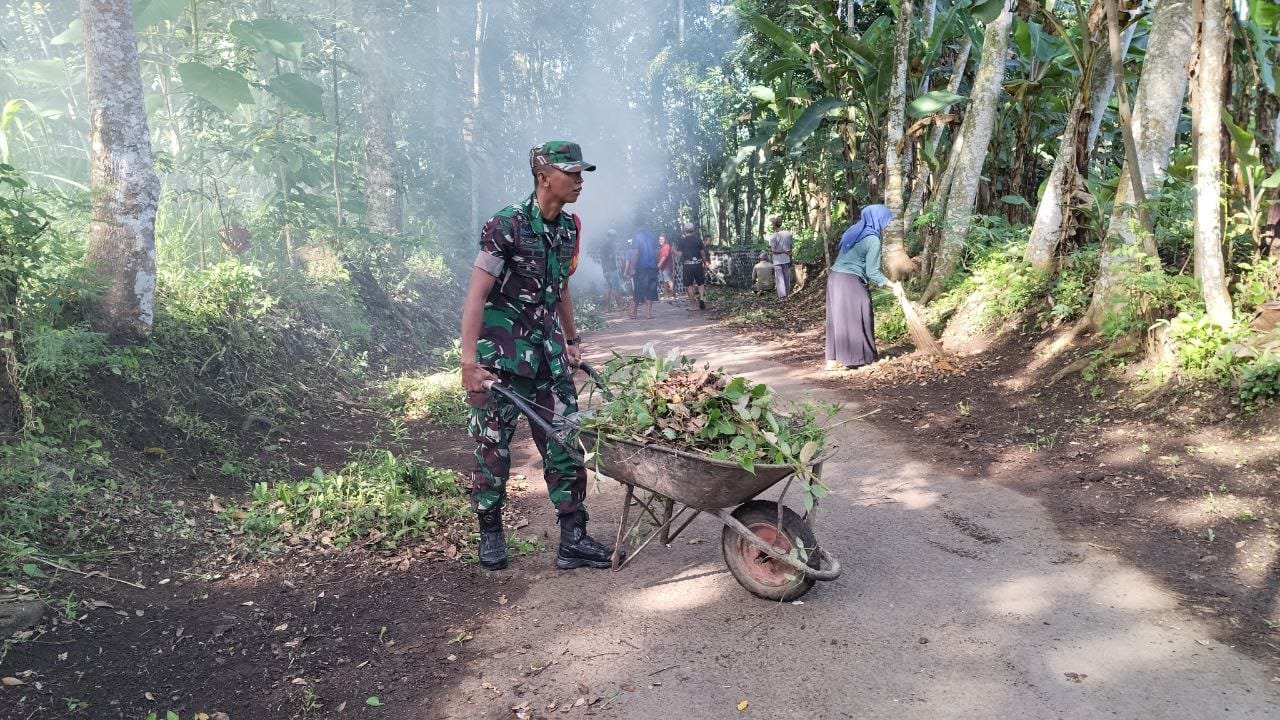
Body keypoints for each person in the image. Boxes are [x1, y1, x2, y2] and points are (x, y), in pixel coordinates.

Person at [459, 140, 619, 572]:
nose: (580, 181)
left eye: (582, 174)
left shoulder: (568, 228)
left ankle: (573, 538)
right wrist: (469, 363)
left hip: (548, 356)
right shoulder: (505, 225)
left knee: (566, 441)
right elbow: (476, 296)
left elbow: (561, 287)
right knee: (492, 448)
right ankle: (491, 532)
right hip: (500, 360)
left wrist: (571, 338)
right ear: (544, 177)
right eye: (572, 173)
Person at [826, 204, 900, 370]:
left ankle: (832, 360)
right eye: (885, 221)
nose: (886, 225)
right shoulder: (873, 240)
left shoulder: (853, 230)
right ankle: (858, 359)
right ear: (878, 219)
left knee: (837, 318)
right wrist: (893, 285)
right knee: (861, 314)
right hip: (849, 280)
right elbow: (872, 272)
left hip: (834, 278)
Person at [626, 229, 660, 319]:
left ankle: (633, 312)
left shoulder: (637, 237)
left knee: (638, 289)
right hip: (652, 267)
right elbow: (657, 251)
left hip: (641, 268)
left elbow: (636, 253)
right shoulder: (652, 236)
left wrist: (632, 268)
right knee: (650, 290)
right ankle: (648, 314)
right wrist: (656, 262)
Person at [675, 222, 708, 310]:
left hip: (688, 265)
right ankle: (701, 299)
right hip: (698, 264)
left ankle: (693, 306)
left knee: (689, 285)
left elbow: (679, 254)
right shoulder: (698, 239)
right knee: (700, 283)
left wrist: (674, 251)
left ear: (684, 230)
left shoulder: (682, 241)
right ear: (693, 230)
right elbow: (702, 253)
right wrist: (705, 263)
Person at [767, 216, 794, 299]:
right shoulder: (788, 234)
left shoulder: (773, 236)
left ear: (774, 225)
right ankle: (787, 295)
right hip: (786, 259)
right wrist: (789, 256)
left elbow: (773, 250)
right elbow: (791, 248)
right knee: (786, 277)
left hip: (777, 261)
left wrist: (783, 251)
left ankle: (782, 297)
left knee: (780, 279)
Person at [598, 229, 624, 311]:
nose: (615, 238)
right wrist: (616, 250)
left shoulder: (602, 246)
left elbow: (602, 259)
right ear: (612, 236)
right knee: (616, 288)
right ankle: (620, 306)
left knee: (607, 289)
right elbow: (610, 257)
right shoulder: (609, 245)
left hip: (605, 271)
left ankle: (607, 308)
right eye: (614, 236)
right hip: (612, 270)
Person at [657, 233, 676, 301]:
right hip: (663, 267)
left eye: (662, 239)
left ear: (665, 240)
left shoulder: (666, 246)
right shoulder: (662, 247)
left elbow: (664, 257)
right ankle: (666, 296)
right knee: (665, 282)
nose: (660, 240)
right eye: (659, 239)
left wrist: (659, 265)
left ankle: (674, 295)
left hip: (666, 267)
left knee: (669, 281)